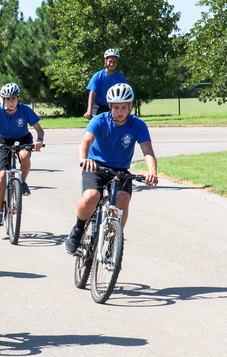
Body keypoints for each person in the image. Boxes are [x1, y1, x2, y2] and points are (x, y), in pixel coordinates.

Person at [64, 83, 159, 254]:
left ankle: (114, 240)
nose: (120, 111)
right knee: (91, 196)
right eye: (116, 107)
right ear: (110, 107)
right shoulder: (99, 120)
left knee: (122, 200)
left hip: (120, 171)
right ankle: (77, 230)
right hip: (96, 167)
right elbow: (85, 142)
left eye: (124, 107)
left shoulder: (138, 125)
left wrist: (152, 171)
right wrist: (84, 159)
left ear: (131, 106)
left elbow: (148, 150)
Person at [0, 83, 45, 226]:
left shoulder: (25, 110)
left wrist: (39, 140)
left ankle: (22, 183)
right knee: (1, 176)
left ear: (18, 98)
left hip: (23, 139)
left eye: (13, 98)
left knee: (24, 156)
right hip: (4, 140)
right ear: (4, 100)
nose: (11, 102)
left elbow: (39, 130)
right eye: (8, 99)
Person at [84, 49, 127, 120]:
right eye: (110, 61)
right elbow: (92, 94)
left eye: (114, 62)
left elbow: (125, 96)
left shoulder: (121, 78)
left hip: (114, 106)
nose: (112, 64)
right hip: (98, 106)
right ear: (105, 61)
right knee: (96, 123)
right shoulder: (98, 76)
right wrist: (89, 111)